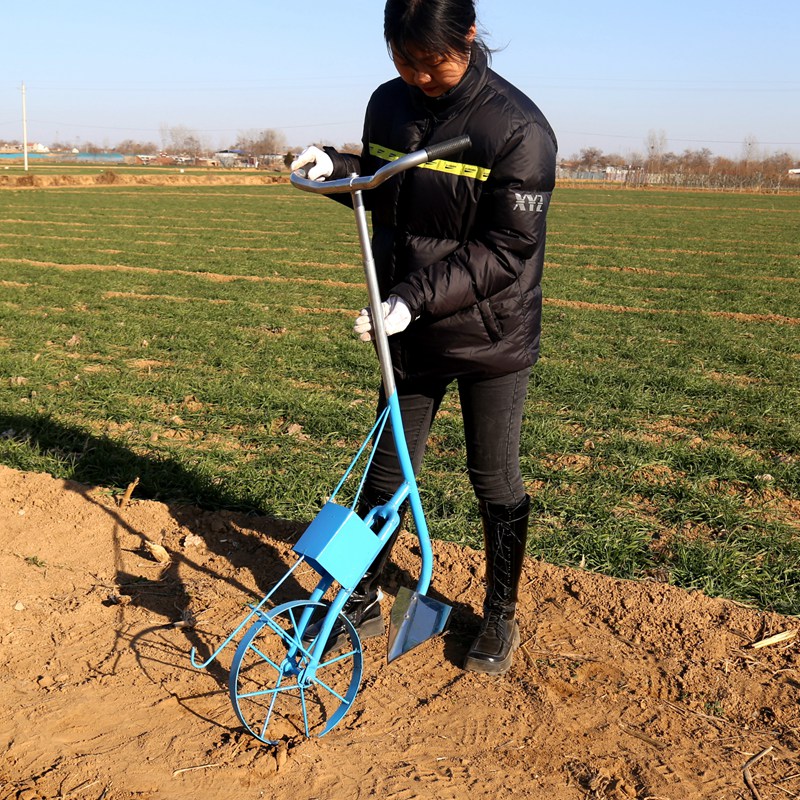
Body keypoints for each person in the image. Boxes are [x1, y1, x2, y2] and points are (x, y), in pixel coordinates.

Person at [292, 0, 557, 675]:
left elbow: (506, 251)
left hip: (489, 333)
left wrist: (412, 299)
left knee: (492, 477)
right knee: (385, 470)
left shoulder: (519, 130)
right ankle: (362, 592)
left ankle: (499, 615)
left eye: (430, 61)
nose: (417, 76)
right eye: (403, 60)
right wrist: (337, 166)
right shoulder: (390, 104)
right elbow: (388, 190)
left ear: (467, 37)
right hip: (406, 324)